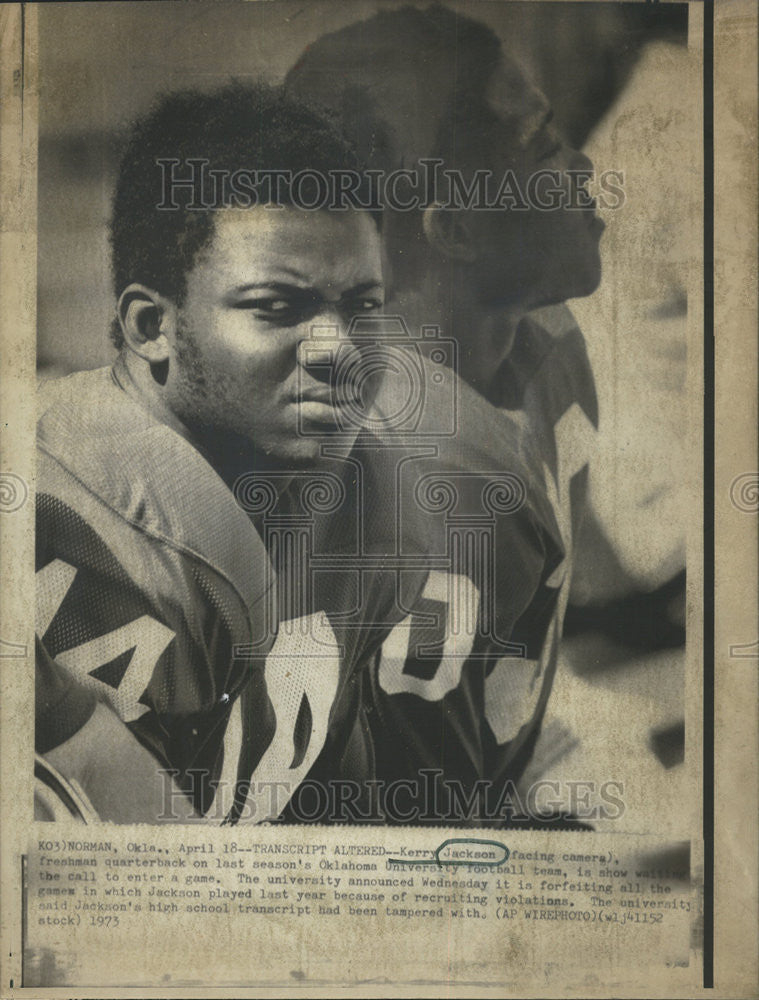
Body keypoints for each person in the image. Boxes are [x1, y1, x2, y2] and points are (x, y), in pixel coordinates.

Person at [35, 81, 430, 824]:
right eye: (275, 308)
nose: (337, 352)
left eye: (362, 308)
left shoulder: (370, 497)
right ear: (152, 326)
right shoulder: (45, 521)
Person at [286, 3, 604, 824]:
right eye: (538, 148)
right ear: (454, 225)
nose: (580, 165)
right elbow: (393, 841)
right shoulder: (414, 484)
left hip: (502, 765)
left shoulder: (541, 334)